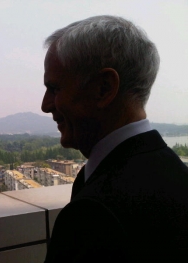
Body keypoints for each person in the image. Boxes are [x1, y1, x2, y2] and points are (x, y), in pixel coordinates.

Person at [42, 15, 188, 263]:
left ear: (104, 88)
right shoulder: (176, 173)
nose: (45, 105)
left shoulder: (95, 214)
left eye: (55, 89)